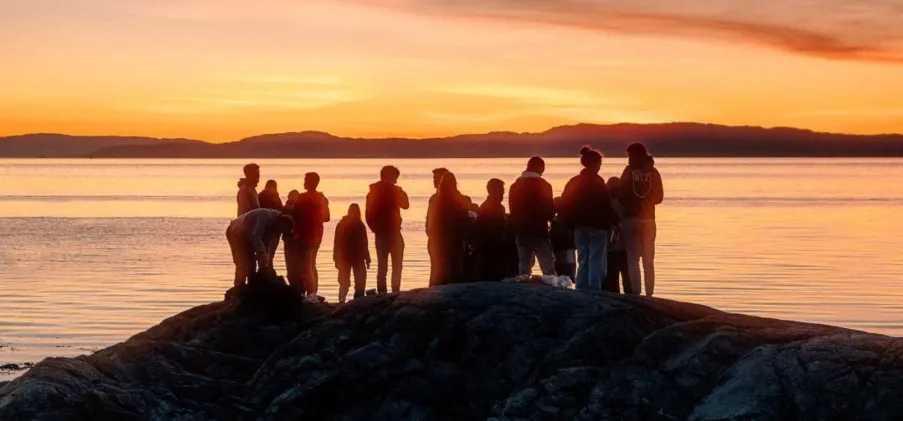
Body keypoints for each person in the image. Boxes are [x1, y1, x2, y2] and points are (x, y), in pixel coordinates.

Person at [559, 147, 620, 292]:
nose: (600, 166)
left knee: (583, 258)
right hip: (597, 226)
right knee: (596, 258)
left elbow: (565, 201)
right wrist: (616, 221)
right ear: (595, 164)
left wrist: (568, 221)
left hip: (579, 225)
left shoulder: (574, 181)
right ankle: (594, 288)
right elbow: (606, 205)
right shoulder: (598, 182)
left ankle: (581, 287)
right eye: (599, 163)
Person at [619, 143, 664, 297]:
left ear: (636, 155)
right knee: (648, 260)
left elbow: (621, 193)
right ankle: (650, 294)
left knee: (633, 259)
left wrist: (630, 204)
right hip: (649, 218)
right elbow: (659, 197)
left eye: (630, 156)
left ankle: (636, 294)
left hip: (632, 219)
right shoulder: (653, 172)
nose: (629, 159)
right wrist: (647, 202)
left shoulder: (628, 171)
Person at [365, 165, 410, 294]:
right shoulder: (388, 191)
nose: (396, 181)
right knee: (394, 266)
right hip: (390, 233)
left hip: (385, 233)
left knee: (383, 266)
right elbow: (406, 205)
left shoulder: (373, 192)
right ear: (390, 177)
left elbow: (368, 215)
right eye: (395, 178)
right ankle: (394, 291)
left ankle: (383, 292)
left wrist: (375, 230)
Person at [509, 157, 557, 276]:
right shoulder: (545, 185)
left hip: (521, 231)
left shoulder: (515, 185)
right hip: (539, 231)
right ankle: (553, 291)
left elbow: (512, 209)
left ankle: (522, 290)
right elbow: (550, 210)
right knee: (548, 267)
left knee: (524, 268)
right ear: (540, 168)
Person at [226, 208, 294, 288]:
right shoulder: (264, 216)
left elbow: (266, 244)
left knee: (252, 264)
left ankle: (251, 288)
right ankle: (238, 290)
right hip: (235, 231)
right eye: (282, 230)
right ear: (281, 223)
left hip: (248, 235)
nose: (281, 233)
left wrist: (265, 259)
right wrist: (261, 252)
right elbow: (256, 236)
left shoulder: (274, 227)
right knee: (242, 264)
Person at [427, 173, 470, 286]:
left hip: (439, 238)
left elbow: (432, 221)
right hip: (456, 238)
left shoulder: (437, 200)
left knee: (439, 269)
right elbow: (465, 215)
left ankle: (435, 290)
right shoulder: (459, 198)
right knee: (455, 266)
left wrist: (431, 235)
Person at [293, 173, 330, 296]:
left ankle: (310, 292)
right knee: (312, 264)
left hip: (304, 235)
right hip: (317, 235)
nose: (304, 182)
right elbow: (327, 217)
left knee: (305, 265)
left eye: (305, 180)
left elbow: (295, 215)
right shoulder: (321, 198)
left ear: (308, 182)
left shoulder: (301, 198)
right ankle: (313, 292)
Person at [476, 178, 517, 281]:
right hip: (493, 249)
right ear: (493, 191)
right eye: (501, 190)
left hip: (493, 248)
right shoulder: (491, 208)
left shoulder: (495, 207)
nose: (503, 193)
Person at [334, 204, 371, 303]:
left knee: (344, 283)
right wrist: (367, 257)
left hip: (344, 257)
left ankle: (341, 302)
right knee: (360, 282)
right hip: (357, 257)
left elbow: (336, 242)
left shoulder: (341, 224)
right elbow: (364, 243)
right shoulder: (360, 225)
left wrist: (336, 258)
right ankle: (358, 302)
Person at [605, 177, 631, 294]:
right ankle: (630, 294)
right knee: (626, 274)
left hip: (612, 248)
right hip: (623, 247)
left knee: (612, 275)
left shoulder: (607, 204)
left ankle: (613, 293)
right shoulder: (626, 204)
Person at [426, 167, 450, 285]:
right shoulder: (433, 198)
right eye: (434, 178)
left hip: (444, 239)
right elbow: (429, 217)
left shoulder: (450, 199)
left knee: (442, 268)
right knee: (434, 268)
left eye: (437, 178)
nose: (434, 181)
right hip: (433, 238)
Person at [282, 190, 304, 294]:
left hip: (289, 239)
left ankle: (295, 288)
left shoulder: (286, 208)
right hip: (295, 239)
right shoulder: (297, 208)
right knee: (297, 265)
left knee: (291, 266)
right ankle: (299, 289)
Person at [551, 197, 577, 280]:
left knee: (561, 274)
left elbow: (552, 240)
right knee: (569, 276)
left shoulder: (555, 223)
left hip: (559, 253)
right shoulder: (570, 222)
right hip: (568, 252)